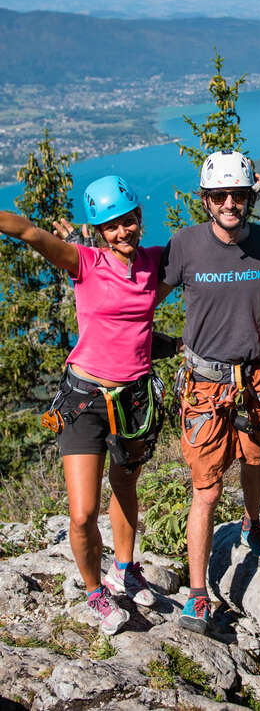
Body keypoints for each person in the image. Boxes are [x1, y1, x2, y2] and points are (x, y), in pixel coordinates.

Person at [0, 175, 164, 635]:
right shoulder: (83, 262)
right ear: (97, 232)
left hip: (133, 399)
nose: (122, 233)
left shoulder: (154, 263)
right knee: (81, 512)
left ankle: (125, 569)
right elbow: (29, 232)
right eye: (111, 227)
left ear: (138, 220)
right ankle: (95, 592)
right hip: (85, 399)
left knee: (126, 486)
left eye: (128, 222)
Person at [158, 150, 260, 634]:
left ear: (251, 195)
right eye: (220, 195)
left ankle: (253, 525)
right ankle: (197, 593)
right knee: (207, 489)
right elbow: (141, 294)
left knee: (256, 462)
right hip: (206, 385)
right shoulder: (185, 246)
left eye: (238, 194)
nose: (230, 203)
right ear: (206, 199)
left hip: (257, 379)